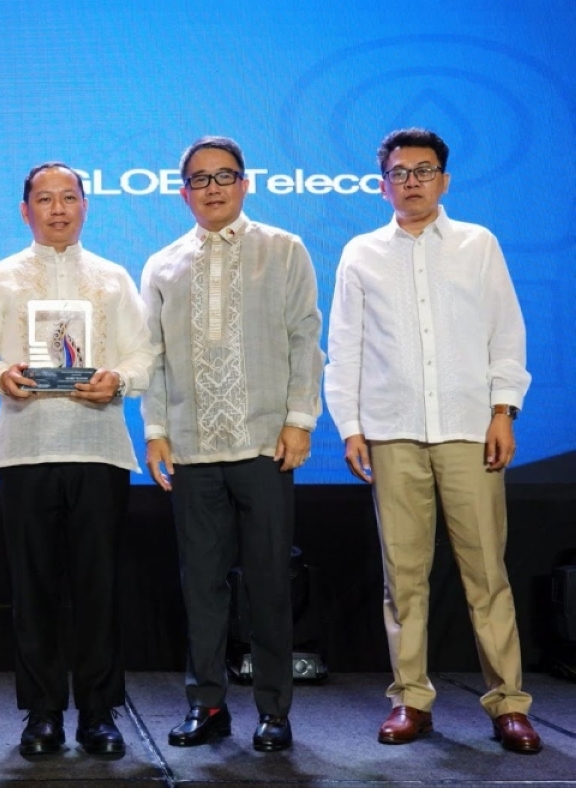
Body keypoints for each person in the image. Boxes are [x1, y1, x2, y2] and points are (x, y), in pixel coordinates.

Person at [324, 128, 540, 753]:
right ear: (382, 182)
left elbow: (506, 332)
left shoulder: (478, 244)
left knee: (486, 575)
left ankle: (508, 704)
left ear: (444, 179)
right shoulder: (361, 252)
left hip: (471, 430)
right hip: (392, 433)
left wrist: (505, 412)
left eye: (424, 170)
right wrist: (352, 426)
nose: (411, 181)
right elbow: (346, 348)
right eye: (399, 171)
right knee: (405, 578)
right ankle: (410, 699)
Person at [0, 162, 155, 757]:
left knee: (99, 588)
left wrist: (117, 379)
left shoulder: (113, 277)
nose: (58, 208)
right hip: (24, 450)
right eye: (44, 199)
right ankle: (41, 713)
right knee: (34, 587)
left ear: (85, 205)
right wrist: (4, 376)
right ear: (26, 211)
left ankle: (99, 714)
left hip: (99, 449)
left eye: (68, 197)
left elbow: (145, 359)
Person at [141, 136, 323, 753]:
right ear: (183, 190)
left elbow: (305, 339)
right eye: (200, 179)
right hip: (192, 451)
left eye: (225, 176)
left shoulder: (283, 249)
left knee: (270, 583)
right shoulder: (163, 264)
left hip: (264, 444)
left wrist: (300, 418)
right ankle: (208, 705)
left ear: (246, 183)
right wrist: (157, 432)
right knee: (203, 586)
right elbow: (155, 360)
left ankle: (275, 710)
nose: (213, 187)